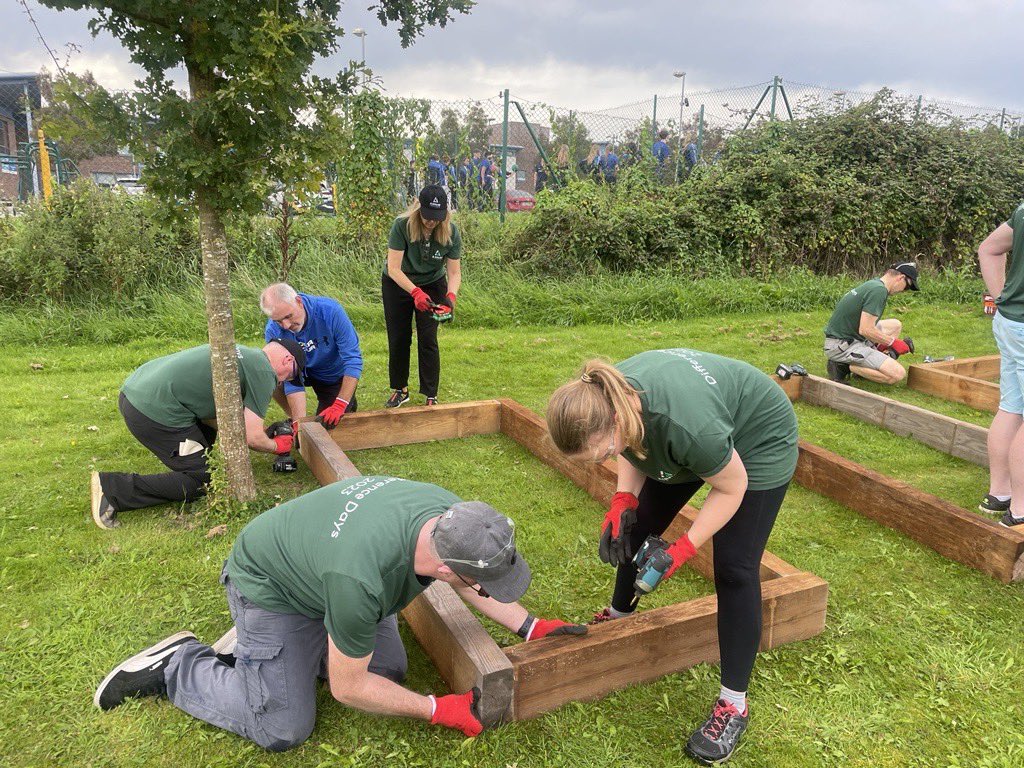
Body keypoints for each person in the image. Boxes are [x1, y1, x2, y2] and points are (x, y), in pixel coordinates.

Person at [93, 475, 587, 749]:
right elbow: (348, 691)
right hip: (270, 585)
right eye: (481, 581)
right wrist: (439, 709)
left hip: (325, 572)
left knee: (387, 672)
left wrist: (529, 626)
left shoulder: (453, 518)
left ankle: (267, 652)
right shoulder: (361, 580)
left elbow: (471, 579)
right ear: (443, 566)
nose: (486, 589)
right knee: (284, 727)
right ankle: (180, 665)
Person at [545, 348, 799, 764]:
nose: (607, 459)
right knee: (635, 526)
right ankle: (619, 617)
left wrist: (681, 550)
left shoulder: (686, 428)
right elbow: (630, 449)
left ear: (616, 421)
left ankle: (733, 705)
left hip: (758, 436)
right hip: (693, 431)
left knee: (734, 568)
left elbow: (731, 487)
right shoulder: (605, 394)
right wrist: (623, 500)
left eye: (604, 454)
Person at [90, 340, 305, 529]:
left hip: (135, 390)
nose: (283, 382)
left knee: (207, 441)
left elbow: (223, 421)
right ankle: (113, 490)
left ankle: (187, 461)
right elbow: (252, 438)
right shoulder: (265, 372)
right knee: (204, 480)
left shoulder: (242, 354)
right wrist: (277, 446)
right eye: (291, 375)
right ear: (288, 360)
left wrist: (263, 433)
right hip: (151, 411)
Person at [382, 185, 461, 407]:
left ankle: (430, 394)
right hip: (398, 282)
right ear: (419, 208)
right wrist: (415, 292)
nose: (431, 221)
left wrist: (450, 298)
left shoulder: (451, 232)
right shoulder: (402, 226)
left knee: (428, 338)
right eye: (427, 216)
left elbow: (454, 272)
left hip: (433, 282)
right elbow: (393, 268)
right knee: (399, 337)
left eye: (437, 217)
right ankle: (400, 389)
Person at [260, 283, 362, 431]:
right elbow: (290, 379)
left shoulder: (331, 311)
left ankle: (346, 400)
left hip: (330, 374)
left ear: (299, 302)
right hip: (297, 372)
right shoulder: (273, 330)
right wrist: (299, 424)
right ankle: (295, 420)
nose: (286, 325)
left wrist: (340, 404)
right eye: (278, 321)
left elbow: (353, 360)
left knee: (327, 425)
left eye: (288, 316)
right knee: (271, 375)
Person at [977, 204, 1024, 527]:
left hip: (1010, 321)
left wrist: (1002, 299)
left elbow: (989, 248)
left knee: (1011, 406)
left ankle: (1000, 495)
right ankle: (1020, 511)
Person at [822, 262, 919, 385]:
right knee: (897, 374)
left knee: (895, 325)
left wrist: (884, 344)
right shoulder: (879, 291)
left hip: (846, 335)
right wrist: (893, 343)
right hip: (842, 346)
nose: (904, 291)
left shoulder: (874, 284)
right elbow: (866, 330)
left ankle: (871, 361)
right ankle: (844, 366)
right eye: (907, 287)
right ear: (901, 278)